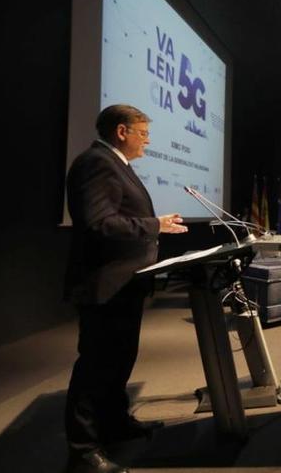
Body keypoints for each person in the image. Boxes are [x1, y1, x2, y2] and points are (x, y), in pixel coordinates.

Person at [64, 105, 188, 473]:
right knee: (96, 367)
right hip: (106, 284)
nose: (148, 140)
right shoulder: (98, 163)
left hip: (125, 285)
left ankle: (115, 425)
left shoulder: (115, 164)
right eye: (143, 133)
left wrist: (154, 225)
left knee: (119, 360)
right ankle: (83, 450)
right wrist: (154, 226)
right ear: (122, 131)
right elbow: (99, 224)